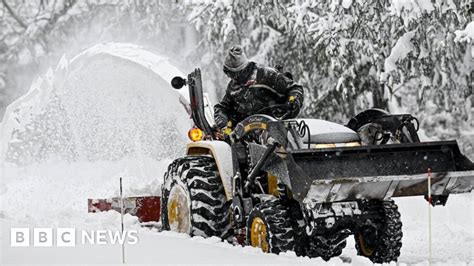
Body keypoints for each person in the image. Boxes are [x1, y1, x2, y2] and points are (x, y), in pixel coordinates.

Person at [214, 46, 304, 134]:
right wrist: (225, 127)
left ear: (240, 71)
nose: (228, 76)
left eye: (230, 73)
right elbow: (222, 109)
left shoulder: (265, 75)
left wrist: (293, 100)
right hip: (248, 137)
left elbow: (294, 88)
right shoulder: (233, 87)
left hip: (277, 129)